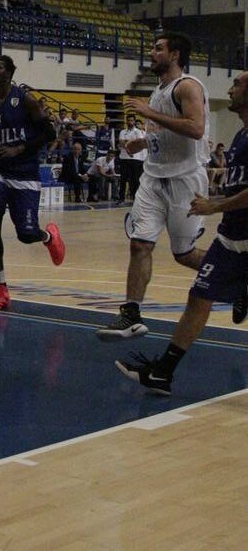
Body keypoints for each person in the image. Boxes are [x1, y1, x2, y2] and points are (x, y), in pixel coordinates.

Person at [116, 70, 248, 394]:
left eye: (237, 84)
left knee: (194, 279)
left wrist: (214, 207)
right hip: (232, 237)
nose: (229, 90)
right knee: (198, 297)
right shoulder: (241, 136)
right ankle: (163, 372)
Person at [97, 33, 209, 340]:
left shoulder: (187, 86)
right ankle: (131, 314)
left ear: (174, 55)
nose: (152, 52)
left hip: (185, 179)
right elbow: (168, 129)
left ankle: (236, 278)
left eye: (158, 49)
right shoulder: (159, 90)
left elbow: (196, 128)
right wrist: (145, 140)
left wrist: (149, 114)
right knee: (139, 243)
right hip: (153, 176)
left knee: (183, 254)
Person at [0, 56, 65, 313]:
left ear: (11, 73)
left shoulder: (25, 100)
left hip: (24, 172)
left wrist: (19, 149)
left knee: (26, 234)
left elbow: (49, 134)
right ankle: (0, 288)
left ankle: (47, 236)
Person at [117, 112, 147, 201]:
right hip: (124, 158)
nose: (130, 122)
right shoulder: (122, 131)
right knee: (123, 179)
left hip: (135, 158)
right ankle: (121, 198)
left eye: (132, 120)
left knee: (135, 180)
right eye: (128, 120)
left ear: (134, 121)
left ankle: (135, 198)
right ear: (126, 121)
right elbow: (121, 143)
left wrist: (128, 142)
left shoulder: (138, 132)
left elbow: (139, 143)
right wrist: (131, 142)